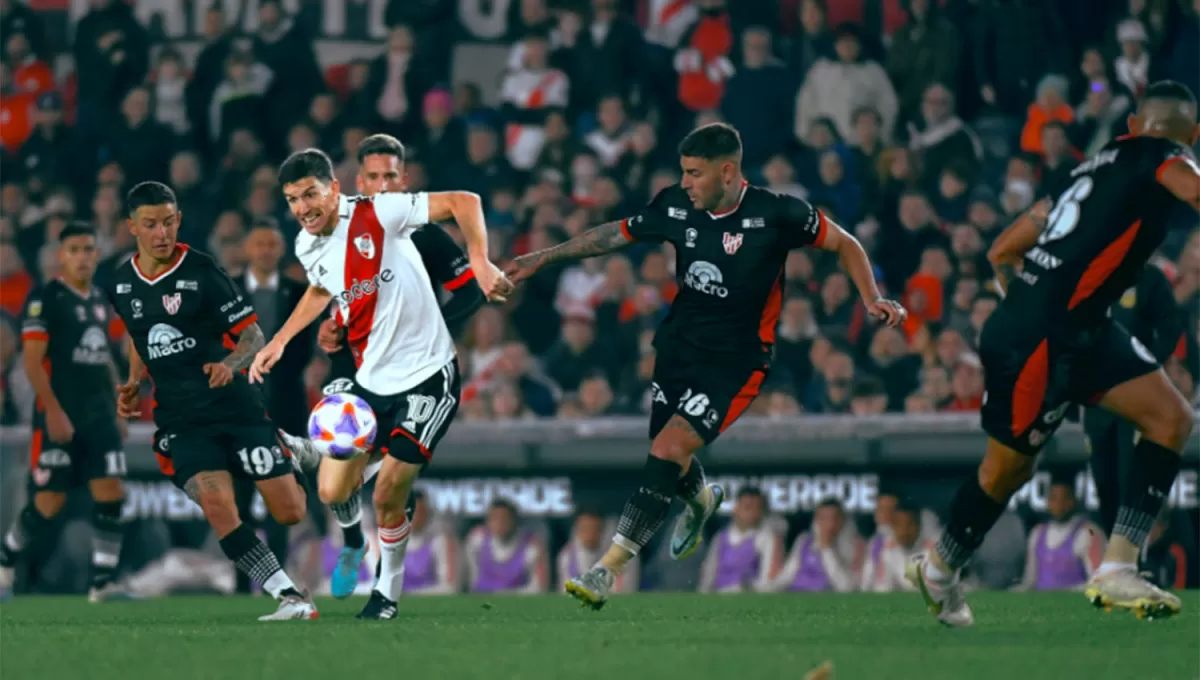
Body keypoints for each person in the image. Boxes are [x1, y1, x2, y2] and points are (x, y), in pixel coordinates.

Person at [504, 122, 906, 609]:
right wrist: (543, 258)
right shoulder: (675, 205)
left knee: (668, 446)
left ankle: (605, 570)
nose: (687, 182)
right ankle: (700, 499)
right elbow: (614, 234)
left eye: (695, 173)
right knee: (666, 450)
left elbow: (844, 243)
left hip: (736, 360)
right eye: (684, 173)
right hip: (678, 344)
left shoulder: (777, 213)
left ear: (728, 171)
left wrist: (872, 297)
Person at [909, 80, 1200, 626]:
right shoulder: (1164, 156)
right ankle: (940, 567)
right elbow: (1192, 187)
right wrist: (1034, 319)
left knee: (1171, 418)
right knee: (1006, 473)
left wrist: (1026, 298)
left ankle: (1117, 567)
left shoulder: (1089, 170)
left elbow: (1003, 248)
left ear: (1133, 123)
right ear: (1193, 136)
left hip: (1075, 328)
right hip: (1043, 337)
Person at [249, 147, 510, 620]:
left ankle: (386, 593)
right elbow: (321, 286)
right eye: (292, 199)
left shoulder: (379, 211)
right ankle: (352, 523)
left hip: (428, 376)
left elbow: (464, 200)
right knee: (330, 492)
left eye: (310, 194)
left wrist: (481, 260)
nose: (303, 207)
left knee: (389, 493)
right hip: (369, 380)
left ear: (334, 188)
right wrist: (283, 339)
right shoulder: (307, 245)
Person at [109, 182, 317, 621]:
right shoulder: (121, 280)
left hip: (234, 408)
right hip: (182, 419)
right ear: (132, 228)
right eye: (150, 225)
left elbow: (252, 335)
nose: (161, 233)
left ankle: (284, 445)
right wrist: (132, 381)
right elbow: (137, 333)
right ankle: (291, 597)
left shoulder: (202, 270)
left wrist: (230, 362)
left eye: (168, 222)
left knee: (291, 510)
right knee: (219, 506)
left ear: (178, 220)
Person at [0, 223, 128, 602]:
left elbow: (104, 358)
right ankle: (4, 562)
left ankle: (102, 584)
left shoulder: (100, 301)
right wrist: (53, 412)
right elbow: (33, 362)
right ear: (61, 256)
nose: (83, 256)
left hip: (99, 416)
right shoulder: (45, 297)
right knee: (48, 502)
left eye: (89, 249)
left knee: (111, 494)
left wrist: (119, 403)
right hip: (59, 415)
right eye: (75, 249)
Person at [1084, 263, 1184, 536]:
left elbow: (1170, 325)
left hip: (1136, 397)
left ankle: (1134, 560)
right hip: (1096, 399)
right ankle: (1111, 562)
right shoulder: (1088, 272)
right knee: (1103, 481)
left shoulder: (1147, 277)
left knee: (1132, 478)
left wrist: (1147, 367)